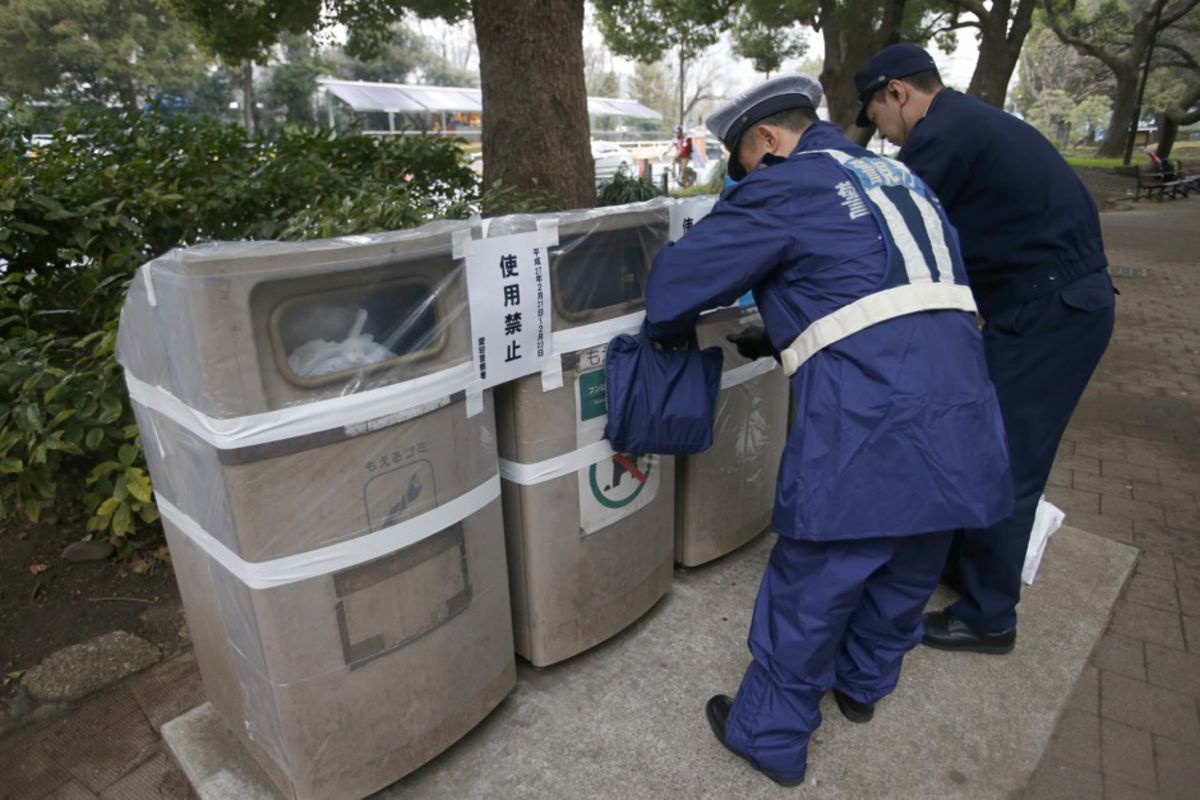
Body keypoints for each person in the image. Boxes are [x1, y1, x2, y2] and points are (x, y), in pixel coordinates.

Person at [643, 75, 1013, 786]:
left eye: (744, 167)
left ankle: (769, 735)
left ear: (768, 140)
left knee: (819, 574)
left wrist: (665, 334)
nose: (745, 181)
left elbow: (674, 288)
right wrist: (783, 329)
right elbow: (880, 284)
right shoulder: (900, 177)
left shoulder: (787, 182)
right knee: (914, 551)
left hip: (871, 409)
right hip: (963, 399)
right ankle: (864, 684)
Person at [855, 43, 1116, 655]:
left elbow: (884, 234)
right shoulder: (967, 121)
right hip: (1047, 303)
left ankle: (990, 616)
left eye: (877, 116)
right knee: (981, 442)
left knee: (1006, 460)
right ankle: (965, 567)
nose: (882, 134)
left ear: (897, 92)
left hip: (1051, 311)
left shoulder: (942, 136)